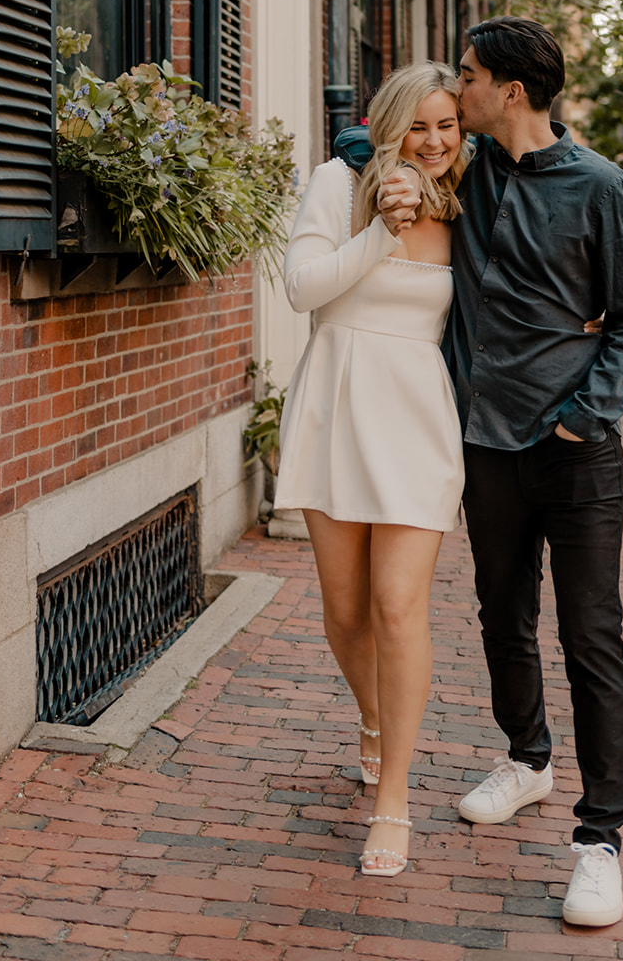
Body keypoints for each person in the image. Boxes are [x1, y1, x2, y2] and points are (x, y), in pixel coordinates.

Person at [342, 16, 623, 928]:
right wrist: (388, 162)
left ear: (508, 92)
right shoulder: (467, 176)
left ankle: (600, 839)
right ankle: (525, 758)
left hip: (573, 451)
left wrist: (579, 418)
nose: (458, 89)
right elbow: (364, 133)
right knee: (499, 613)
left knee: (590, 635)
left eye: (470, 79)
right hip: (481, 445)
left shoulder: (601, 187)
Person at [273, 61, 471, 878]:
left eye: (447, 126)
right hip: (334, 403)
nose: (432, 142)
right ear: (390, 127)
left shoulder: (473, 202)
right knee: (346, 610)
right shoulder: (338, 180)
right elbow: (300, 289)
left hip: (417, 414)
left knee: (398, 606)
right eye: (417, 126)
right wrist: (379, 231)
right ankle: (372, 717)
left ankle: (394, 798)